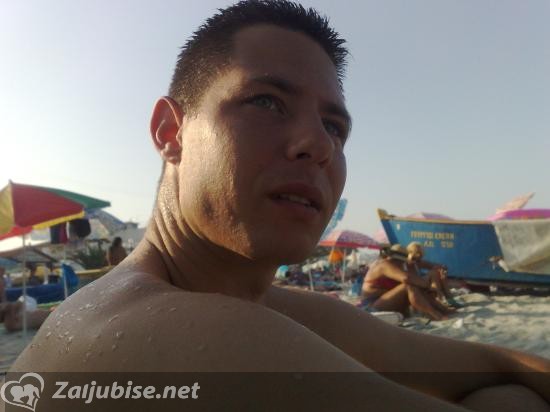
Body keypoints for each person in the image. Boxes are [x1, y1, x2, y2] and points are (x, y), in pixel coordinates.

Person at [11, 1, 550, 410]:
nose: (318, 145)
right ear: (171, 132)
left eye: (334, 127)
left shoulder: (262, 305)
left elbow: (494, 362)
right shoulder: (162, 329)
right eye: (266, 101)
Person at [361, 242, 455, 320]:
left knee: (418, 284)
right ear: (396, 259)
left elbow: (431, 268)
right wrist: (427, 285)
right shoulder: (384, 265)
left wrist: (428, 285)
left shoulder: (395, 264)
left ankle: (442, 309)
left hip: (385, 302)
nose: (402, 264)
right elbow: (406, 278)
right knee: (409, 285)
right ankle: (433, 314)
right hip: (371, 306)